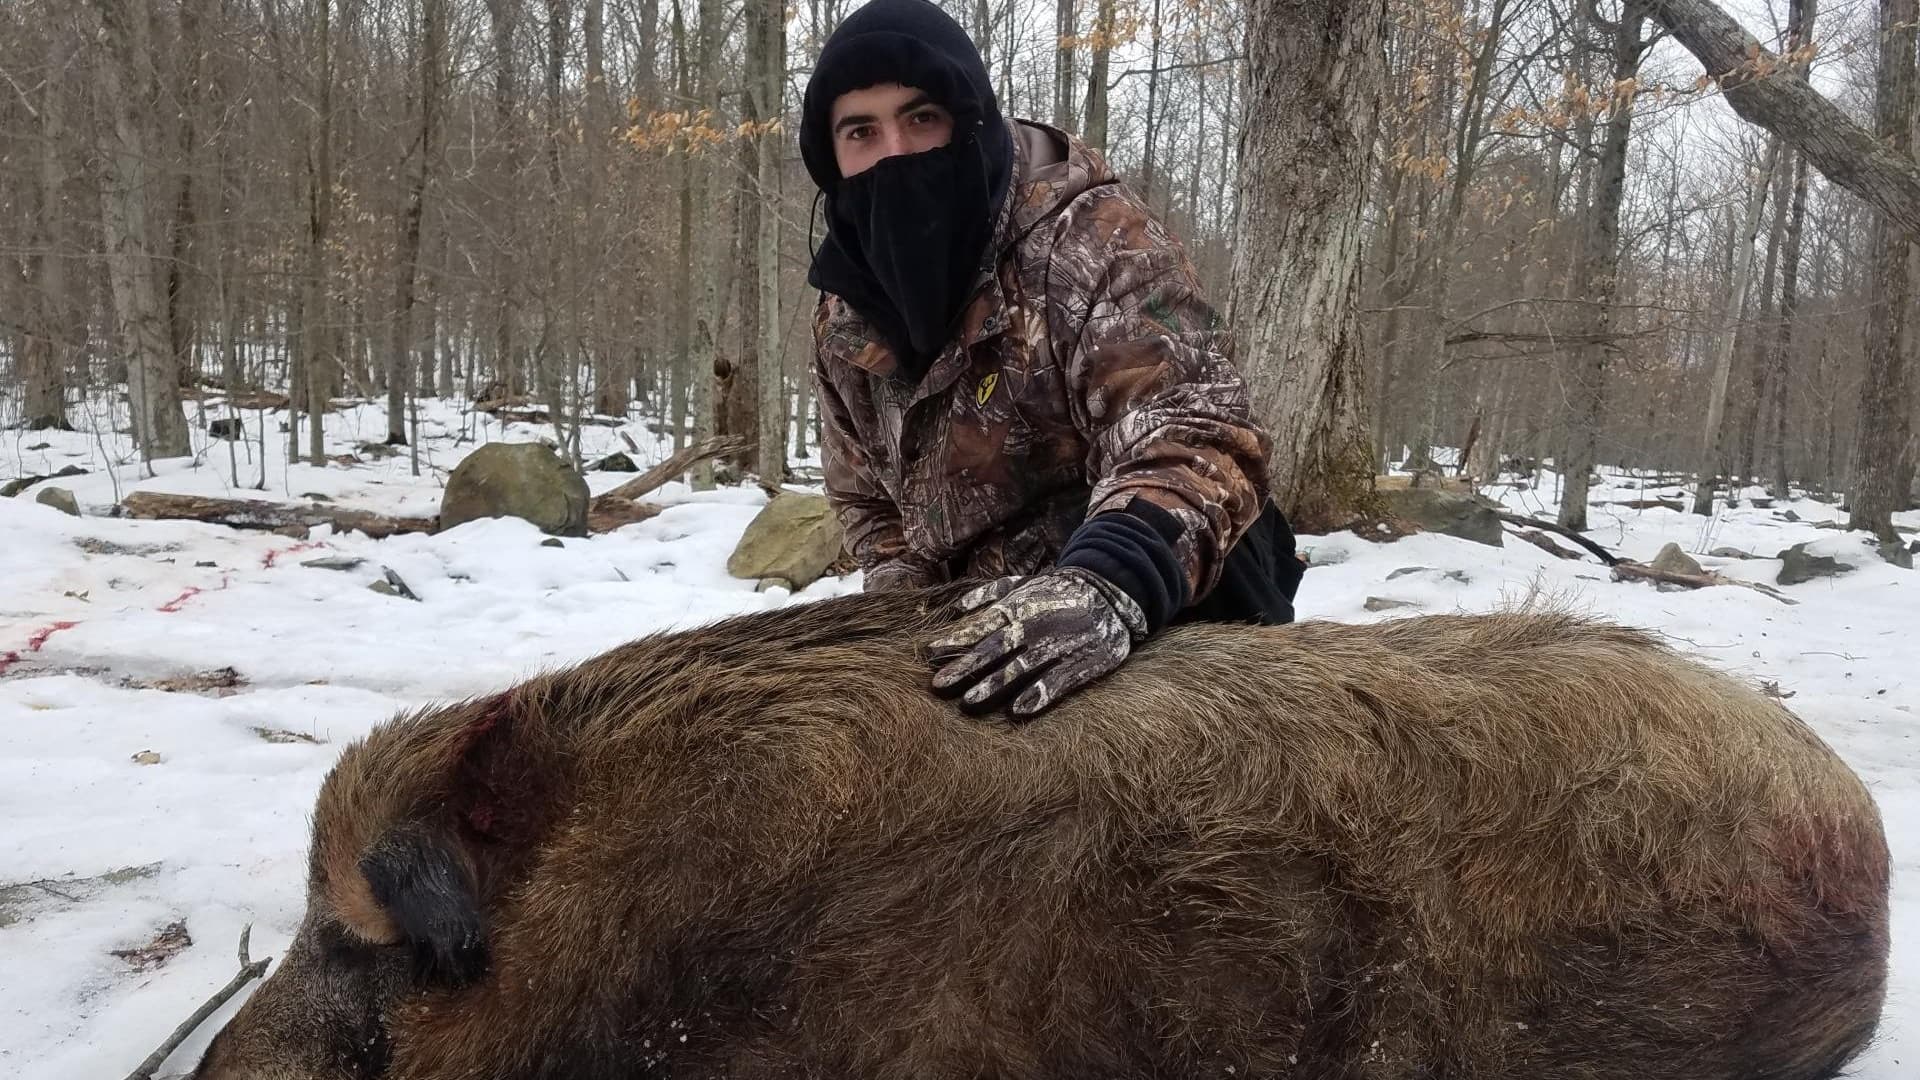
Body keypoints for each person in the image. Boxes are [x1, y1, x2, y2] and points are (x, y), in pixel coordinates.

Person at [801, 0, 1302, 718]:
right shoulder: (845, 315)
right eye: (861, 131)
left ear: (968, 118)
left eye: (921, 118)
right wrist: (901, 623)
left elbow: (1195, 430)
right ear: (832, 157)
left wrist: (1110, 582)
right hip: (987, 618)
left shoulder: (1095, 241)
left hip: (1158, 586)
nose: (897, 154)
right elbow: (870, 502)